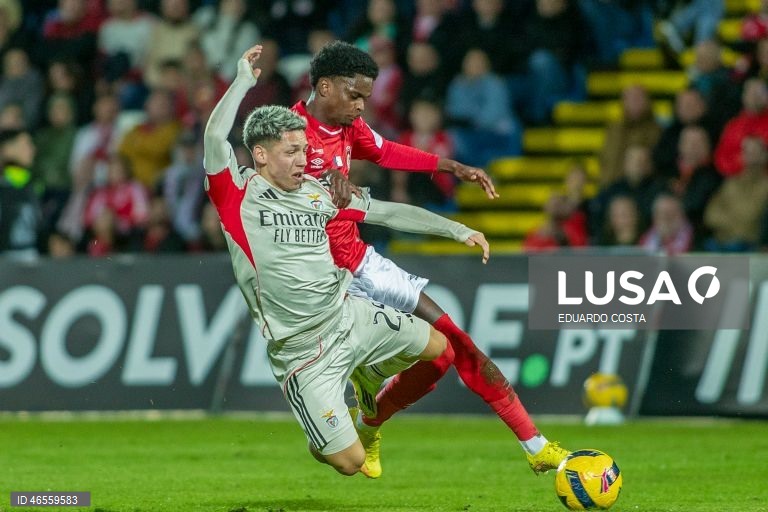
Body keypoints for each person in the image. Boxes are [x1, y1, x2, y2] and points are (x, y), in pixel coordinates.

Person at [204, 45, 491, 477]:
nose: (304, 161)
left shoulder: (318, 192)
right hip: (302, 351)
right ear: (261, 155)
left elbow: (388, 212)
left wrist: (457, 230)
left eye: (304, 151)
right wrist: (244, 81)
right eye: (291, 153)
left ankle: (366, 376)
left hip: (348, 315)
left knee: (438, 348)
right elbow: (213, 138)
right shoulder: (236, 196)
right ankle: (321, 425)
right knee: (349, 463)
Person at [290, 40, 569, 478]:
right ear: (325, 87)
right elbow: (270, 187)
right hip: (320, 281)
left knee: (449, 349)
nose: (362, 106)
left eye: (366, 96)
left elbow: (386, 152)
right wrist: (321, 180)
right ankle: (358, 391)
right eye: (355, 95)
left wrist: (451, 166)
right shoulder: (288, 132)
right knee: (338, 455)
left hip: (361, 260)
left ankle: (533, 445)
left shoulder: (346, 127)